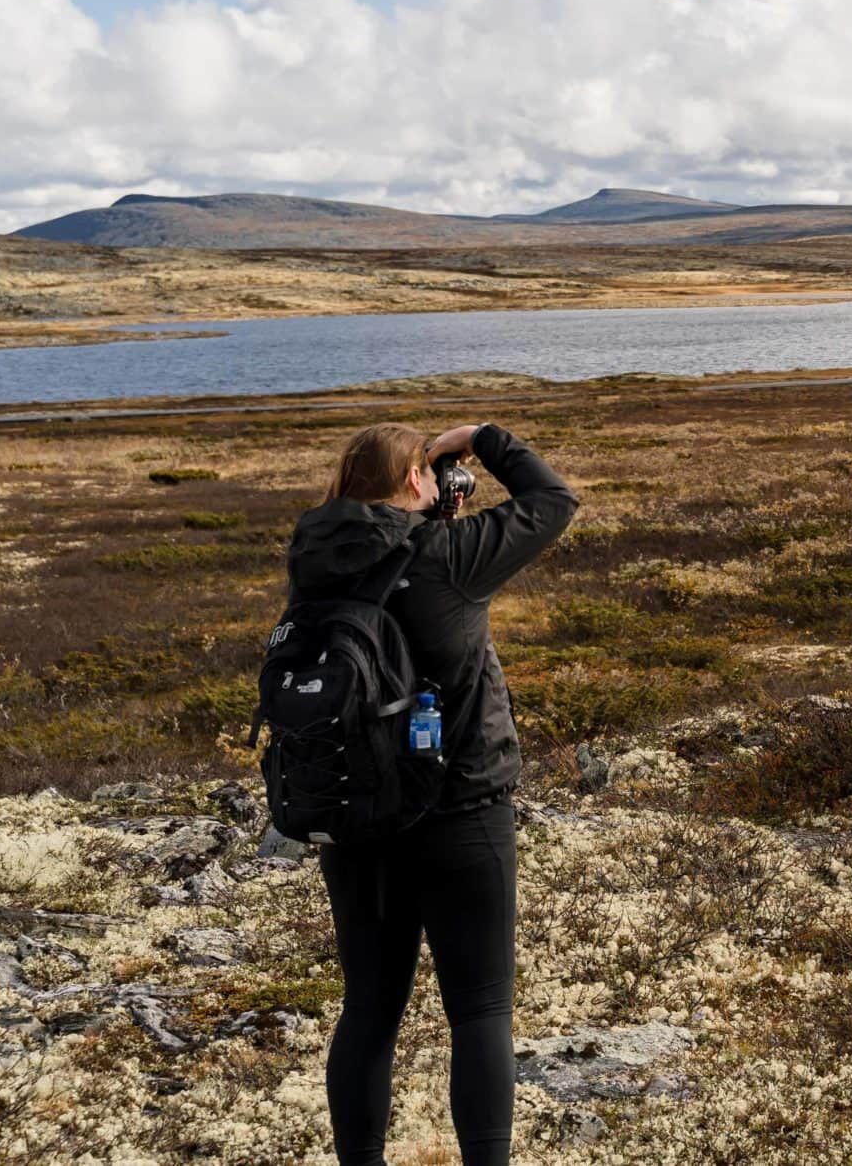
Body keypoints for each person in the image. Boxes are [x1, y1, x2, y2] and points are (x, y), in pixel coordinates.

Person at [288, 421, 578, 1166]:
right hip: (462, 809)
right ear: (418, 482)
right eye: (428, 470)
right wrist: (483, 437)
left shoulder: (313, 561)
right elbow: (554, 498)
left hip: (356, 816)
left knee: (370, 1010)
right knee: (479, 1009)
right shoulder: (448, 555)